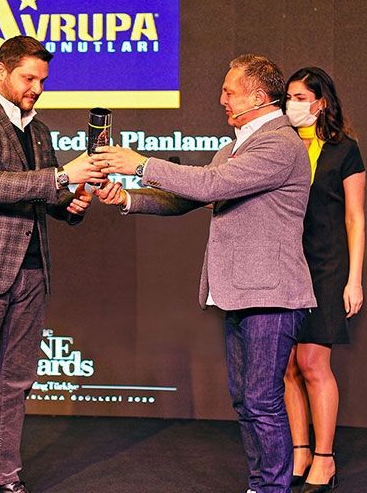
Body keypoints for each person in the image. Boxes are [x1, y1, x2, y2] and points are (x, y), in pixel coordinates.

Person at [91, 54, 316, 493]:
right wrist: (128, 199)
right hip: (240, 293)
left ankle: (271, 489)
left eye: (229, 92)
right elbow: (190, 197)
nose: (222, 99)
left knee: (262, 402)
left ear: (258, 97)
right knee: (246, 402)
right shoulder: (233, 149)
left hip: (271, 296)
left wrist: (139, 164)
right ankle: (260, 485)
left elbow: (211, 185)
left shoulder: (280, 144)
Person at [0, 35, 103, 493]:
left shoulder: (40, 131)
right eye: (29, 78)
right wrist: (64, 175)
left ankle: (5, 478)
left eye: (42, 81)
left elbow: (46, 195)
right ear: (1, 72)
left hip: (31, 272)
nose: (37, 88)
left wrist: (73, 201)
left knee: (15, 384)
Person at [281, 67, 365, 493]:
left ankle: (325, 458)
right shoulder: (279, 145)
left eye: (300, 97)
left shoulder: (344, 150)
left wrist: (355, 279)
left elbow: (355, 217)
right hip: (284, 264)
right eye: (288, 97)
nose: (292, 104)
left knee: (313, 363)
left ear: (321, 102)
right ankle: (299, 452)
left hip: (327, 267)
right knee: (287, 366)